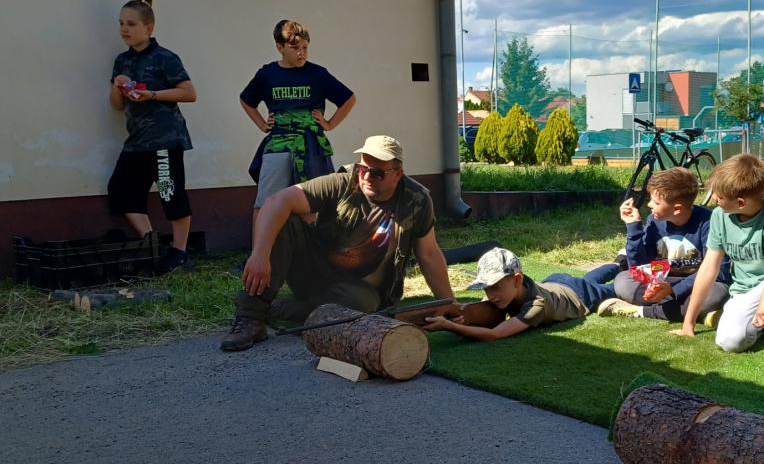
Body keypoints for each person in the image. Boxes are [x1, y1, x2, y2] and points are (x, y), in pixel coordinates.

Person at [221, 135, 452, 352]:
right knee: (285, 221)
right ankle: (250, 316)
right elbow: (276, 201)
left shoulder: (417, 200)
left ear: (397, 174)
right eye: (362, 169)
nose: (366, 177)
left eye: (377, 173)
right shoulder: (341, 183)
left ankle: (280, 309)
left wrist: (448, 302)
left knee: (361, 305)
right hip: (316, 270)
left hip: (359, 291)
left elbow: (429, 254)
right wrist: (259, 254)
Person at [672, 154, 764, 355]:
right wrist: (688, 323)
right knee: (729, 342)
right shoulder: (719, 216)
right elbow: (709, 268)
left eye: (719, 197)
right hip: (746, 293)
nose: (714, 199)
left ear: (740, 202)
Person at [108, 0, 199, 273]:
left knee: (170, 192)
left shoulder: (165, 58)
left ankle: (180, 252)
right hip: (137, 141)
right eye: (121, 23)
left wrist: (152, 95)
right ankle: (153, 245)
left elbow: (189, 93)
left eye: (131, 24)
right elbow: (117, 106)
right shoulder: (122, 61)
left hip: (165, 139)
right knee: (121, 191)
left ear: (148, 28)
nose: (124, 29)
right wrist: (118, 86)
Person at [240, 19, 356, 217]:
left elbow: (348, 99)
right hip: (278, 144)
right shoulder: (267, 74)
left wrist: (329, 124)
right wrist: (262, 124)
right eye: (295, 48)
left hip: (311, 145)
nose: (301, 52)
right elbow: (246, 100)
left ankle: (311, 238)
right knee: (265, 202)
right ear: (279, 47)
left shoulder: (317, 74)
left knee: (312, 201)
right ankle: (259, 239)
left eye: (305, 47)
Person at [596, 167, 731, 324]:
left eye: (656, 202)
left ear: (677, 209)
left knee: (718, 293)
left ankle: (643, 311)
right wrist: (633, 227)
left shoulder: (709, 223)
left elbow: (718, 272)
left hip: (695, 284)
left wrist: (675, 290)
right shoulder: (654, 221)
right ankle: (695, 313)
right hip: (661, 281)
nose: (649, 205)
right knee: (623, 280)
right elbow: (638, 267)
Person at [422, 247, 607, 341]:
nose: (491, 295)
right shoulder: (510, 291)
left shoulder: (536, 305)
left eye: (495, 287)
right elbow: (485, 309)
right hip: (554, 281)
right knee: (591, 276)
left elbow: (494, 335)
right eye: (486, 288)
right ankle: (616, 263)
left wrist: (450, 326)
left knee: (617, 289)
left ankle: (619, 263)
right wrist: (466, 313)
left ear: (517, 280)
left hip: (579, 295)